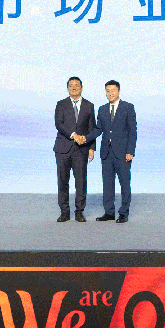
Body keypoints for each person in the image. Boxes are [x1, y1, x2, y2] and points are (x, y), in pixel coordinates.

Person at [53, 76, 98, 222]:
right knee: (63, 181)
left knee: (81, 182)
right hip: (63, 148)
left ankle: (79, 211)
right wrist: (74, 135)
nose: (74, 88)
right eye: (71, 85)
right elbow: (59, 124)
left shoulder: (89, 106)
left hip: (81, 150)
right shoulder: (61, 104)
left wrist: (91, 148)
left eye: (77, 85)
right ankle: (64, 212)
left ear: (81, 88)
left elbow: (92, 128)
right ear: (67, 88)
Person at [95, 80, 137, 224]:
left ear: (118, 91)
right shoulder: (102, 109)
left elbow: (132, 131)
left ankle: (124, 213)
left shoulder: (128, 107)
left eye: (113, 90)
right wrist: (85, 138)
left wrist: (130, 151)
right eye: (108, 91)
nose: (110, 93)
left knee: (124, 183)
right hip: (106, 153)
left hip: (123, 153)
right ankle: (109, 212)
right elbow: (98, 129)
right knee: (107, 184)